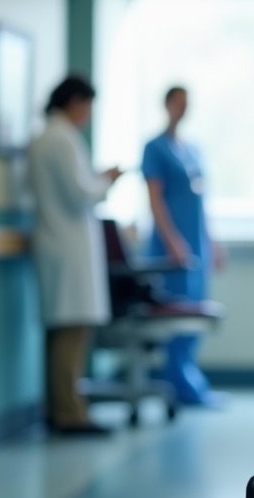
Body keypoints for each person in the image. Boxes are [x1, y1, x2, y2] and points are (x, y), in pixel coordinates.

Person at [28, 75, 122, 435]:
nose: (89, 114)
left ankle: (64, 407)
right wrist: (107, 179)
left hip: (59, 245)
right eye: (87, 106)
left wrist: (94, 180)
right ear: (75, 102)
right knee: (71, 333)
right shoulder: (61, 140)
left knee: (65, 331)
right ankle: (70, 413)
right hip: (67, 249)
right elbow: (81, 193)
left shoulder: (48, 139)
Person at [141, 86, 224, 407]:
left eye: (186, 103)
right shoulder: (155, 148)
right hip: (170, 247)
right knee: (176, 314)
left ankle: (189, 378)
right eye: (177, 102)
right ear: (166, 105)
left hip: (197, 244)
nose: (182, 108)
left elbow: (201, 201)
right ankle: (177, 383)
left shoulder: (193, 150)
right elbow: (155, 199)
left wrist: (212, 241)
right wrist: (173, 241)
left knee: (195, 312)